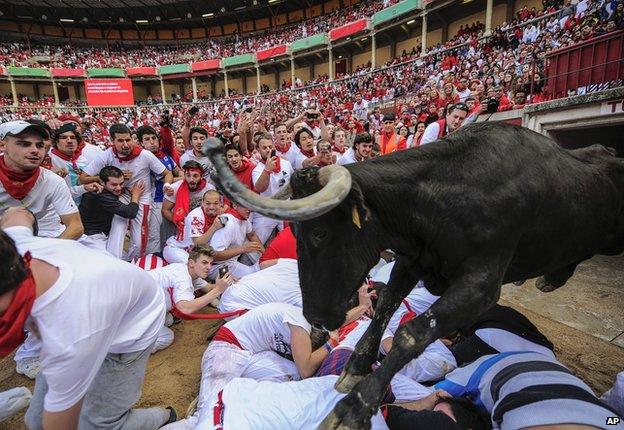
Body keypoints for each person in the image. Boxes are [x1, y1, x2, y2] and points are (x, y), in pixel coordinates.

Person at [0, 207, 176, 429]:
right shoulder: (11, 248)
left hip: (135, 323)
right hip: (106, 299)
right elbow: (18, 214)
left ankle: (164, 416)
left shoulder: (68, 339)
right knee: (36, 421)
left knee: (98, 424)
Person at [168, 302, 331, 430]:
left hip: (252, 354)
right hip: (227, 349)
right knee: (204, 416)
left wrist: (358, 308)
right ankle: (214, 396)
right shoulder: (300, 324)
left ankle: (239, 401)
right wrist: (330, 345)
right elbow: (306, 370)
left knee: (293, 373)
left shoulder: (306, 321)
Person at [435, 351, 622, 429]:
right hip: (600, 415)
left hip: (602, 416)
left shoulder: (473, 375)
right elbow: (434, 395)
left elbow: (432, 396)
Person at [81, 123, 173, 260]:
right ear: (112, 141)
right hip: (121, 195)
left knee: (138, 240)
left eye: (128, 140)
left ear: (133, 138)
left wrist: (166, 185)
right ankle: (115, 264)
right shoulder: (106, 155)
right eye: (120, 141)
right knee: (117, 232)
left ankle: (133, 264)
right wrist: (111, 176)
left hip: (142, 198)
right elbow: (82, 178)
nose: (125, 144)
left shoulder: (145, 155)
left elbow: (167, 173)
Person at [0, 120, 83, 240]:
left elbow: (75, 226)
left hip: (43, 237)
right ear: (3, 146)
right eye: (24, 144)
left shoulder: (53, 180)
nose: (35, 150)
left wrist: (46, 250)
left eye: (39, 145)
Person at [148, 245, 234, 352]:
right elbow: (184, 309)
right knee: (167, 337)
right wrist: (218, 290)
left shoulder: (190, 272)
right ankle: (130, 350)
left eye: (210, 263)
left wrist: (219, 284)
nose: (209, 267)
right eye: (204, 263)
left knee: (169, 320)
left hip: (143, 303)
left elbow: (209, 288)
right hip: (136, 310)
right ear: (192, 263)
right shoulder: (182, 277)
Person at [136, 124, 182, 255]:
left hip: (173, 201)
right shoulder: (145, 159)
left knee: (174, 232)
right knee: (154, 236)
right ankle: (153, 261)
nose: (152, 142)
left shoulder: (166, 156)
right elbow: (167, 179)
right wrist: (185, 179)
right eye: (147, 139)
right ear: (141, 143)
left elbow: (178, 172)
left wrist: (183, 176)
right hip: (156, 202)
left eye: (153, 138)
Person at [78, 166, 145, 254]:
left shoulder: (104, 189)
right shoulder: (100, 194)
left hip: (99, 234)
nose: (119, 188)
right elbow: (130, 212)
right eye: (114, 185)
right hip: (92, 237)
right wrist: (135, 195)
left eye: (121, 184)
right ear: (102, 182)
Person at [251, 132, 293, 244]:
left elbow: (293, 184)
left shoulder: (286, 164)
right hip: (266, 213)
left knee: (292, 241)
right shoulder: (258, 169)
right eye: (264, 148)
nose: (268, 150)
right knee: (255, 246)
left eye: (270, 147)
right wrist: (267, 170)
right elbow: (260, 188)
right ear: (258, 150)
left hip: (284, 211)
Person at [163, 190, 224, 263]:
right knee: (193, 266)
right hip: (177, 248)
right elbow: (197, 243)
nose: (211, 207)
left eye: (215, 203)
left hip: (195, 253)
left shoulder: (222, 214)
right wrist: (214, 227)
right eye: (208, 203)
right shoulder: (195, 216)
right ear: (202, 203)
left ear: (221, 204)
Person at [48, 123, 103, 203]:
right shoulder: (50, 159)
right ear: (56, 142)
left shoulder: (81, 159)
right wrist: (83, 188)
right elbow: (58, 194)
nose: (69, 141)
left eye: (73, 137)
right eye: (64, 138)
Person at [209, 201, 264, 279]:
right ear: (235, 205)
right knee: (252, 278)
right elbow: (214, 255)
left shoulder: (245, 221)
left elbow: (252, 235)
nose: (249, 209)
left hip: (231, 263)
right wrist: (243, 249)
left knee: (257, 274)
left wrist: (265, 254)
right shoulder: (228, 222)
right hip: (216, 267)